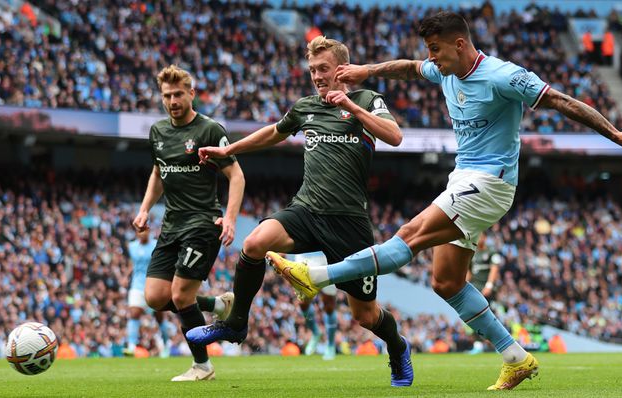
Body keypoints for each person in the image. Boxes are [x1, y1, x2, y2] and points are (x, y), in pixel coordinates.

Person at [268, 12, 622, 391]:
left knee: (409, 235)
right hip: (463, 177)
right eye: (429, 50)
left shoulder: (503, 75)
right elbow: (408, 67)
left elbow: (562, 101)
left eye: (436, 50)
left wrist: (616, 135)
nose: (431, 58)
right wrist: (367, 71)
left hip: (491, 181)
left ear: (460, 43)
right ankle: (516, 357)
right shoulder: (444, 70)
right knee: (446, 282)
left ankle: (318, 276)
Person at [187, 36, 414, 387]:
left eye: (323, 69)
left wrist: (352, 108)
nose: (317, 77)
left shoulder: (368, 100)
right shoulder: (306, 106)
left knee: (365, 316)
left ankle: (397, 348)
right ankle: (236, 323)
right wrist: (228, 148)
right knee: (254, 243)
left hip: (349, 222)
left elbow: (395, 137)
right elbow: (273, 133)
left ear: (342, 69)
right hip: (307, 210)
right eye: (312, 71)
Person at [132, 65, 245, 381]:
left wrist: (231, 220)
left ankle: (202, 366)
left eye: (178, 94)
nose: (172, 101)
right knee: (155, 297)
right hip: (171, 226)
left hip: (202, 223)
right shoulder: (158, 132)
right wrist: (144, 210)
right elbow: (158, 172)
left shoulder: (209, 130)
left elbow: (236, 175)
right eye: (167, 96)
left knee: (181, 296)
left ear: (191, 93)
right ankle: (216, 304)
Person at [124, 228, 234, 357]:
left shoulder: (156, 244)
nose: (142, 233)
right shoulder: (132, 247)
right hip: (137, 285)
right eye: (139, 231)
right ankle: (131, 346)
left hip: (155, 283)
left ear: (149, 232)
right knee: (134, 312)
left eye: (144, 231)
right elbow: (132, 264)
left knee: (165, 311)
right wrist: (126, 275)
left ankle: (167, 344)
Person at [293, 252, 338, 360]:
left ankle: (330, 344)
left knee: (329, 305)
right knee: (302, 302)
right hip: (303, 256)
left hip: (325, 255)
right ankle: (315, 332)